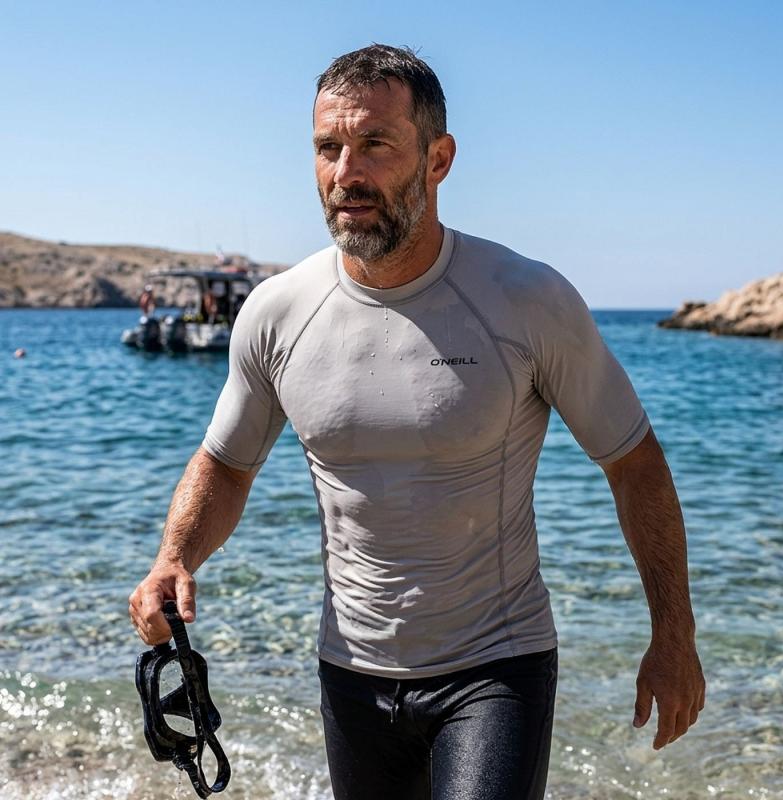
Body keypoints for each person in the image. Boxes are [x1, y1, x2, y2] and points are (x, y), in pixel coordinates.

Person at [129, 44, 705, 799]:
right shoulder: (277, 312)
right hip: (350, 674)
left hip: (496, 669)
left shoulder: (525, 300)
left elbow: (633, 463)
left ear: (438, 159)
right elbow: (227, 465)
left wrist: (674, 635)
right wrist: (174, 558)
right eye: (328, 148)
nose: (346, 173)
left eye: (375, 144)